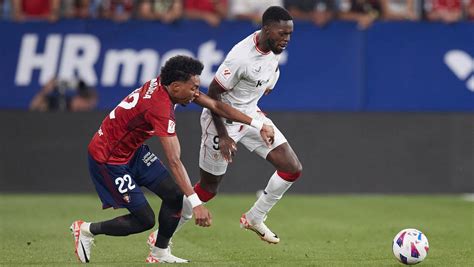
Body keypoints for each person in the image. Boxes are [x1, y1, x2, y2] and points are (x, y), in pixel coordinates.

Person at [70, 55, 275, 263]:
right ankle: (86, 230)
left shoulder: (170, 85)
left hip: (133, 151)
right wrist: (196, 204)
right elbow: (174, 160)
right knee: (145, 220)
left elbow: (216, 106)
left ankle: (159, 252)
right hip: (108, 159)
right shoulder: (159, 106)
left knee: (174, 196)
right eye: (194, 87)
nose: (196, 92)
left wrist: (258, 124)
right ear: (176, 87)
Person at [149, 6, 302, 246]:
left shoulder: (273, 50)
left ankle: (255, 217)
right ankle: (161, 235)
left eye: (289, 34)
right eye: (282, 34)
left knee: (292, 168)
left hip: (250, 117)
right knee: (208, 189)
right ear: (266, 29)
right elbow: (212, 94)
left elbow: (262, 86)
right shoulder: (241, 56)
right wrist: (224, 136)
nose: (286, 40)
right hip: (221, 122)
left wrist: (258, 118)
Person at [29, 78, 98, 112]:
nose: (85, 108)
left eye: (88, 108)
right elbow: (33, 108)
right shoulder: (58, 101)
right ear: (78, 97)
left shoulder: (81, 118)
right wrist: (45, 91)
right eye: (86, 105)